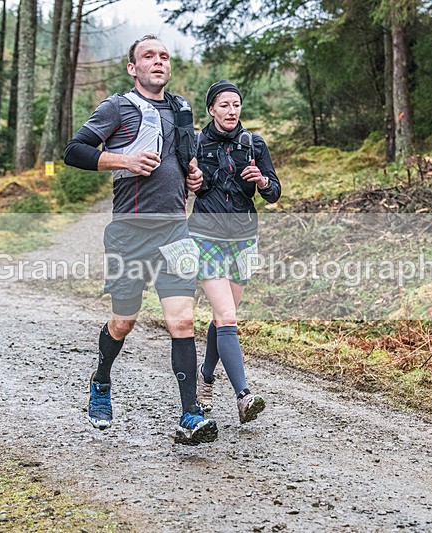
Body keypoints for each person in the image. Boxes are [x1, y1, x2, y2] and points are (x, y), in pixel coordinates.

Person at [63, 35, 218, 446]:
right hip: (129, 232)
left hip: (174, 230)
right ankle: (101, 380)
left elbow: (188, 163)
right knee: (124, 321)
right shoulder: (117, 107)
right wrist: (124, 159)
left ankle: (189, 414)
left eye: (164, 56)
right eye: (148, 56)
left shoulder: (182, 109)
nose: (158, 61)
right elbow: (74, 151)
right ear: (133, 68)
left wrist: (195, 176)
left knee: (181, 320)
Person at [189, 80, 281, 424]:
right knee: (228, 317)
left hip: (244, 239)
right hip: (206, 236)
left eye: (236, 105)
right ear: (211, 109)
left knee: (221, 316)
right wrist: (191, 182)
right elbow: (183, 181)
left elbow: (274, 193)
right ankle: (243, 396)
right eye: (224, 105)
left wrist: (262, 181)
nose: (231, 111)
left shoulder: (253, 144)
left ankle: (206, 376)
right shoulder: (196, 143)